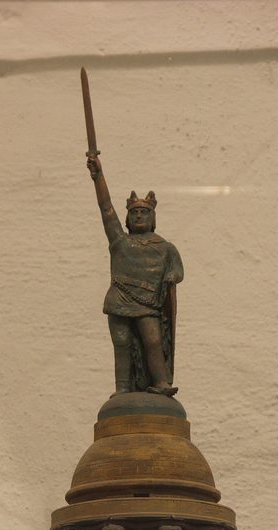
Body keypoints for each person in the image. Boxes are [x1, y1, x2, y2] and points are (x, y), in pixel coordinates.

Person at [86, 153, 184, 396]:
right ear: (128, 219)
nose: (139, 216)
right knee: (121, 344)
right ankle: (123, 389)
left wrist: (170, 277)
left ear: (153, 218)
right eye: (134, 213)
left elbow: (177, 271)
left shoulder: (165, 247)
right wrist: (98, 176)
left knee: (153, 342)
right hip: (119, 299)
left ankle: (161, 383)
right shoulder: (120, 242)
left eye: (144, 213)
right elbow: (106, 208)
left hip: (148, 303)